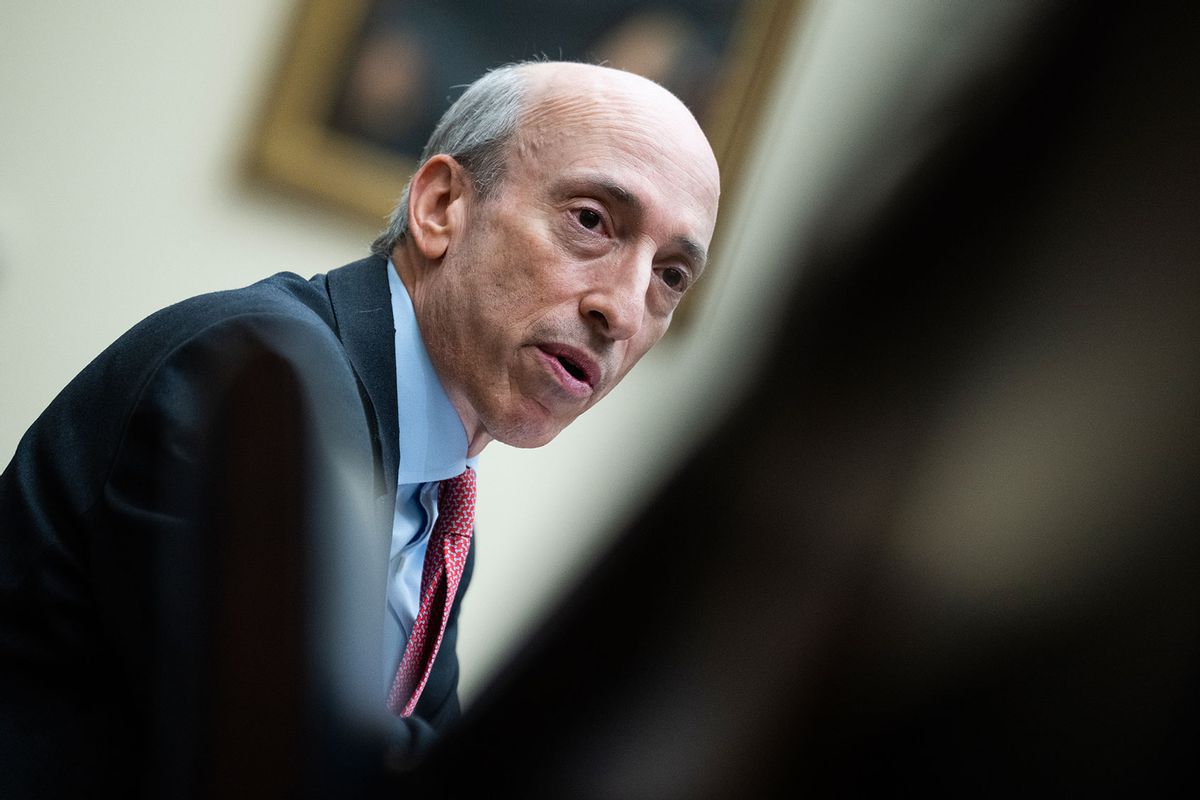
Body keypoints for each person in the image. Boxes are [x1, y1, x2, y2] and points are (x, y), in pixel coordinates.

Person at [0, 61, 720, 795]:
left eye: (670, 276)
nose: (624, 311)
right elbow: (303, 764)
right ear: (442, 206)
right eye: (591, 221)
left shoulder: (437, 510)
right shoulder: (258, 371)